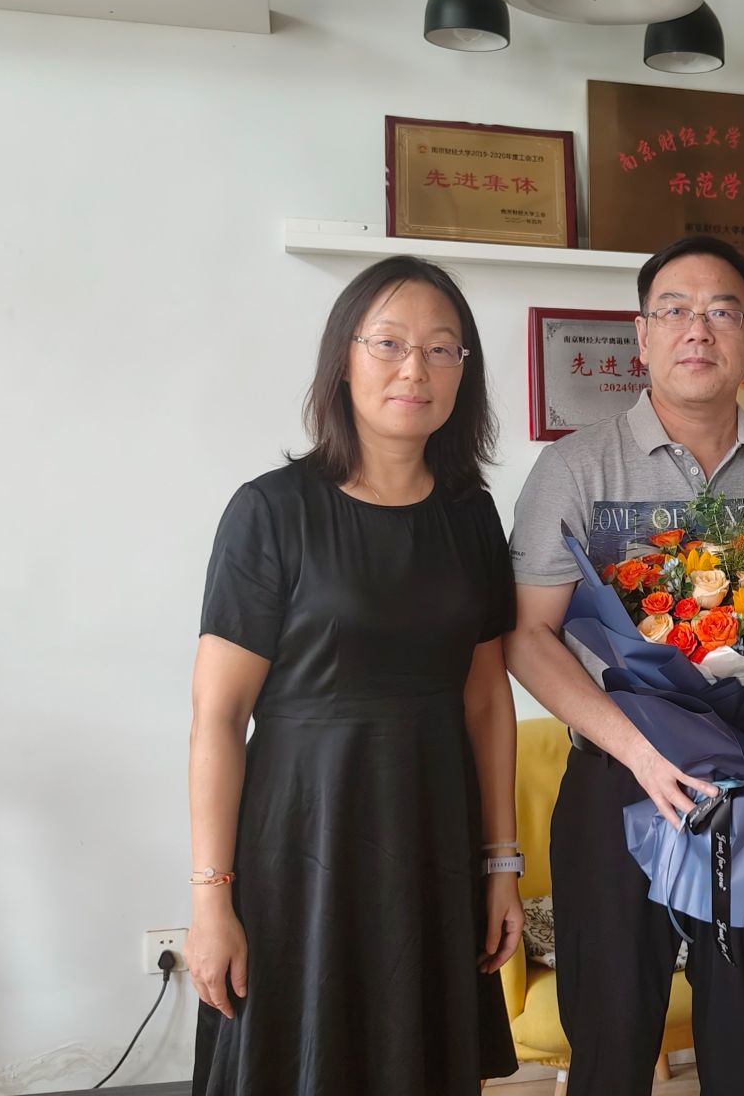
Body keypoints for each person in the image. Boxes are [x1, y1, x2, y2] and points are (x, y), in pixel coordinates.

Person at [186, 256, 522, 1095]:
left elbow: (487, 699)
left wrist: (501, 865)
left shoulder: (471, 515)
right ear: (345, 359)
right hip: (304, 839)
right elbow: (218, 717)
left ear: (464, 373)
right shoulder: (271, 511)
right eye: (390, 344)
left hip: (433, 834)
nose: (416, 369)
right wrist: (210, 898)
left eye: (442, 349)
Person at [504, 235, 744, 1096]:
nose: (698, 329)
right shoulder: (576, 467)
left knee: (741, 1047)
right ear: (641, 337)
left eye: (722, 311)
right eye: (674, 310)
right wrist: (639, 751)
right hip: (618, 781)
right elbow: (528, 636)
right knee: (611, 1044)